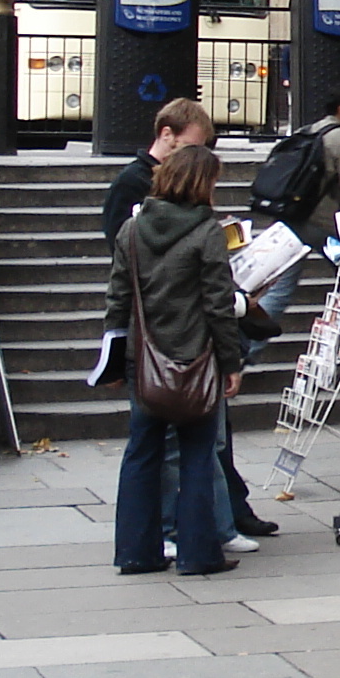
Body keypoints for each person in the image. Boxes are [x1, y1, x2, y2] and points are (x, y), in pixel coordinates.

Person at [103, 100, 277, 543]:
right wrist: (230, 357)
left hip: (152, 342)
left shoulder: (149, 226)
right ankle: (196, 536)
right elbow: (206, 299)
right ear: (167, 135)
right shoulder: (176, 220)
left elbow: (119, 291)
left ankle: (160, 539)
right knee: (188, 447)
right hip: (184, 342)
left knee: (168, 447)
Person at [106, 144, 245, 577]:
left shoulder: (131, 230)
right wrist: (231, 362)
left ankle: (135, 551)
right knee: (198, 455)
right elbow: (218, 305)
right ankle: (198, 552)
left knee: (141, 454)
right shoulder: (206, 232)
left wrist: (115, 359)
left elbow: (117, 299)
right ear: (202, 185)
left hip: (143, 361)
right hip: (195, 359)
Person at [254, 80, 340, 335]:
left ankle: (246, 348)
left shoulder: (309, 131)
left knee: (279, 291)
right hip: (323, 227)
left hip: (291, 219)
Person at [104, 98, 216, 244]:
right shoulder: (131, 181)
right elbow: (118, 239)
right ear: (167, 134)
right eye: (189, 147)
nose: (194, 157)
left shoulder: (185, 180)